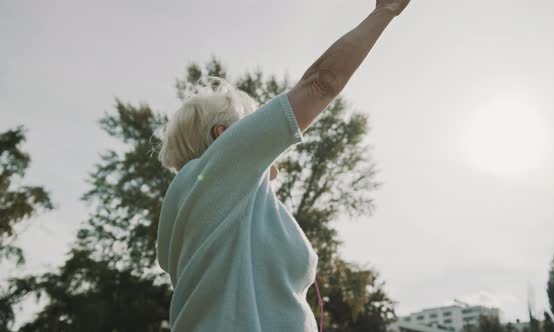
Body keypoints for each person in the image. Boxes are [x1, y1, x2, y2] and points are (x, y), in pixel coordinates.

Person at [155, 1, 412, 331]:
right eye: (250, 123)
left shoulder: (204, 207)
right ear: (222, 136)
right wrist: (385, 10)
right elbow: (321, 84)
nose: (263, 134)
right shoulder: (221, 166)